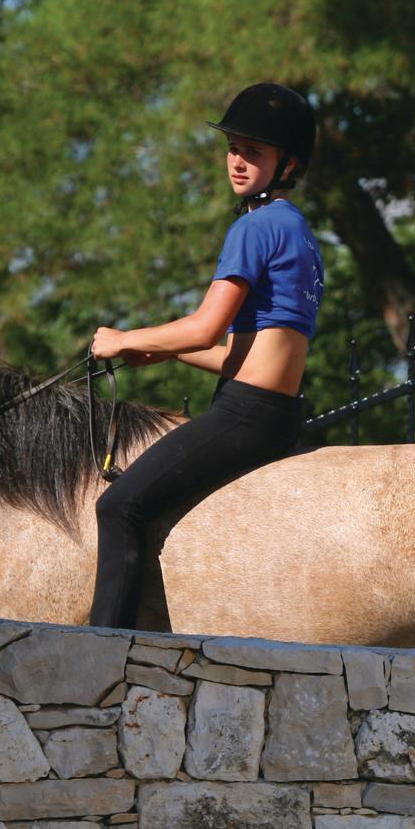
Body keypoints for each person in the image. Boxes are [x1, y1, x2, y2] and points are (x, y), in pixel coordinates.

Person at [84, 83, 325, 628]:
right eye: (233, 148)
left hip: (244, 413)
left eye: (253, 152)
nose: (237, 162)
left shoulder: (254, 227)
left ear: (288, 164)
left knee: (118, 507)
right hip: (279, 413)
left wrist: (124, 339)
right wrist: (167, 355)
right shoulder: (301, 234)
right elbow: (244, 355)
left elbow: (205, 328)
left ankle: (100, 651)